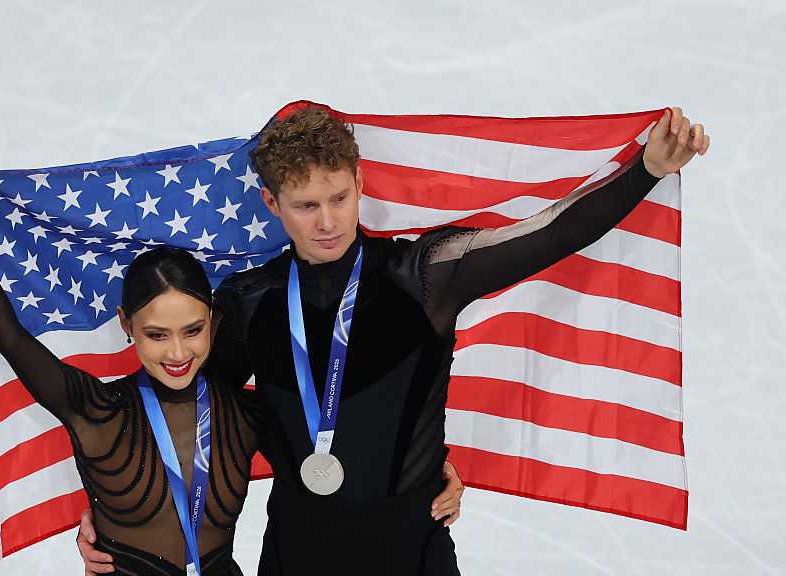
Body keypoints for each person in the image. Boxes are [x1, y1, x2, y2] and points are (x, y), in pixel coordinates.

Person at [77, 105, 709, 575]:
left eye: (339, 197)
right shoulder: (248, 303)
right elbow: (175, 401)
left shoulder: (425, 276)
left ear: (360, 182)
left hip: (413, 547)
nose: (326, 222)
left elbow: (545, 237)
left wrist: (646, 170)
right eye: (304, 205)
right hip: (301, 553)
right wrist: (116, 513)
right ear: (271, 202)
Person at [0, 174, 466, 575]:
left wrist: (427, 472)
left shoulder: (242, 413)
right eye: (156, 334)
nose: (176, 352)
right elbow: (11, 339)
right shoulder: (96, 408)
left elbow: (342, 436)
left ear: (214, 324)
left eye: (192, 331)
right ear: (127, 327)